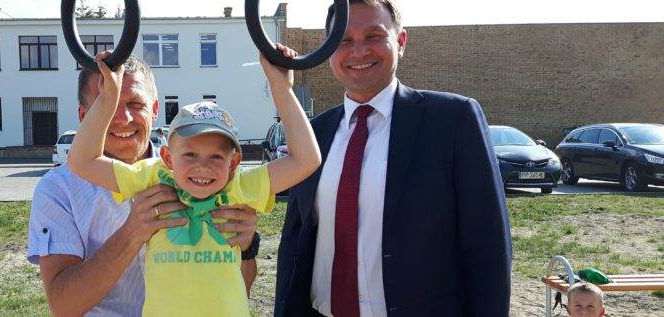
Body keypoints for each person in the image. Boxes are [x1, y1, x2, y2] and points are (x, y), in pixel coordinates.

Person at [274, 1, 512, 316]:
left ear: (400, 43)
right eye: (344, 41)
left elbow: (489, 247)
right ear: (329, 51)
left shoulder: (453, 120)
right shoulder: (314, 134)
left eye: (374, 36)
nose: (358, 51)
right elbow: (295, 240)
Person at [68, 49, 320, 316]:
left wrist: (282, 88)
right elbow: (82, 161)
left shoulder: (237, 185)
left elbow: (306, 159)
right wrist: (108, 97)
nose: (203, 166)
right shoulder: (155, 176)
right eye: (190, 154)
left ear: (233, 163)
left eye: (216, 156)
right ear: (168, 157)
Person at [27, 55, 262, 316]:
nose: (122, 117)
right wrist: (133, 231)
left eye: (135, 103)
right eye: (106, 102)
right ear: (84, 116)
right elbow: (64, 305)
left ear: (155, 109)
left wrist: (247, 246)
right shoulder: (59, 189)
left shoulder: (202, 172)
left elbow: (242, 289)